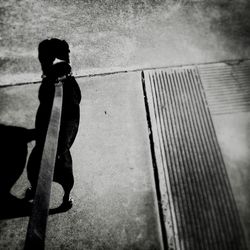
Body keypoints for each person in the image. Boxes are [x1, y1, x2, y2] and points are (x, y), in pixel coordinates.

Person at [25, 38, 81, 209]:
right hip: (60, 144)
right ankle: (66, 198)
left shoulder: (50, 82)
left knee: (36, 165)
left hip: (50, 142)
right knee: (64, 170)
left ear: (45, 60)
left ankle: (37, 189)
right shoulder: (70, 84)